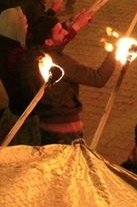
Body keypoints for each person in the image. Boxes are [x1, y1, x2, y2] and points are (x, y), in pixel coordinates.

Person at [22, 14, 109, 145]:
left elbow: (58, 44)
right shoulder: (58, 63)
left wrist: (77, 24)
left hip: (45, 123)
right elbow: (98, 79)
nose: (65, 32)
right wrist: (115, 55)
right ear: (48, 42)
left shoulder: (32, 54)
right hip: (66, 129)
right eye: (59, 31)